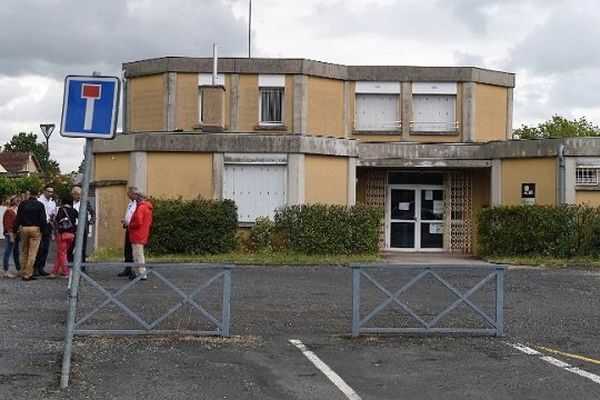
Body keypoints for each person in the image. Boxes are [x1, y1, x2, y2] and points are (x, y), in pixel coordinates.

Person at [13, 188, 47, 281]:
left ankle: (22, 270)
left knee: (24, 250)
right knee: (32, 252)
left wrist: (14, 230)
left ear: (30, 194)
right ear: (37, 194)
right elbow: (42, 219)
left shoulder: (23, 204)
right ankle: (28, 273)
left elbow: (18, 218)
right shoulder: (40, 205)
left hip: (24, 228)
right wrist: (44, 231)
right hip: (35, 228)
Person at [50, 195, 78, 279]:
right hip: (71, 234)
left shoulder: (61, 210)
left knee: (62, 254)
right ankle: (54, 272)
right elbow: (78, 219)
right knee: (61, 253)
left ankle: (65, 272)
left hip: (62, 234)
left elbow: (57, 220)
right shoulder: (74, 210)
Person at [68, 186, 96, 270]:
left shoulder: (85, 202)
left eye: (80, 194)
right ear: (72, 195)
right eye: (77, 195)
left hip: (83, 227)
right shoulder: (69, 203)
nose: (79, 196)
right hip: (72, 227)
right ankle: (71, 264)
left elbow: (92, 212)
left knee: (82, 247)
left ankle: (82, 266)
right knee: (71, 247)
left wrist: (92, 219)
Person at [127, 193, 153, 280]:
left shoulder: (141, 208)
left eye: (137, 198)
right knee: (138, 253)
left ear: (140, 198)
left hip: (137, 234)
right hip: (142, 233)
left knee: (137, 254)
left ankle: (141, 273)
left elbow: (138, 221)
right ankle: (139, 272)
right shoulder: (148, 208)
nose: (135, 200)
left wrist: (130, 225)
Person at [33, 184, 56, 276]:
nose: (50, 193)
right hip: (39, 225)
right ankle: (35, 267)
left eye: (51, 192)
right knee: (39, 247)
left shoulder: (52, 202)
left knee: (46, 247)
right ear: (44, 191)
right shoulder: (39, 201)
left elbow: (53, 213)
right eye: (49, 191)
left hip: (48, 225)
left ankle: (41, 267)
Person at [117, 186, 137, 278]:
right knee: (127, 249)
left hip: (133, 229)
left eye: (129, 193)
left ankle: (133, 269)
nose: (128, 195)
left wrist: (127, 222)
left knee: (133, 250)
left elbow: (136, 217)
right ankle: (128, 269)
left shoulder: (137, 204)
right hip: (128, 228)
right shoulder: (130, 202)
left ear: (133, 193)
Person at [3, 197, 21, 278]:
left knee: (16, 252)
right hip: (11, 234)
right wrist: (11, 235)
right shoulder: (9, 211)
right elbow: (8, 225)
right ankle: (6, 271)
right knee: (8, 252)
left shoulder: (14, 211)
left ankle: (19, 269)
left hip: (15, 234)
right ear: (16, 203)